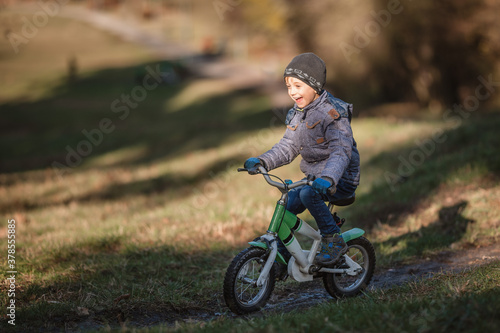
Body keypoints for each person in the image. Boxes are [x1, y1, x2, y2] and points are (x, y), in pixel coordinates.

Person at [244, 53, 360, 265]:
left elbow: (340, 151)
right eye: (288, 87)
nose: (292, 92)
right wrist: (263, 161)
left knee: (308, 193)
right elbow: (288, 146)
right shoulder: (298, 114)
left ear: (314, 85)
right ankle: (281, 253)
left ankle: (332, 238)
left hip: (340, 179)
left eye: (297, 86)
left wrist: (329, 178)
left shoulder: (333, 113)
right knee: (288, 200)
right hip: (314, 179)